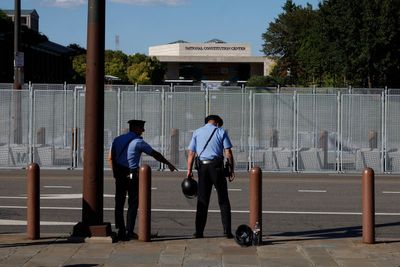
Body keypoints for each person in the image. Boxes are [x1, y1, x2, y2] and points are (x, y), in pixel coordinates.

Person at [108, 119, 177, 241]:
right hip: (132, 174)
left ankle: (121, 230)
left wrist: (115, 173)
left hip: (119, 174)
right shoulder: (138, 142)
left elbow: (111, 158)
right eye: (142, 128)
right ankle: (129, 230)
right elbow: (154, 154)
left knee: (119, 203)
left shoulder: (117, 140)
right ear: (136, 128)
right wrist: (168, 163)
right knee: (133, 203)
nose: (143, 130)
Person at [187, 114, 235, 238]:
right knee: (223, 199)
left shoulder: (197, 132)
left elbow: (191, 153)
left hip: (202, 168)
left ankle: (199, 232)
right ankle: (227, 231)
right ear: (217, 123)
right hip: (217, 167)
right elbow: (228, 152)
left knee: (202, 200)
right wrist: (231, 169)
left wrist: (189, 170)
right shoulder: (220, 131)